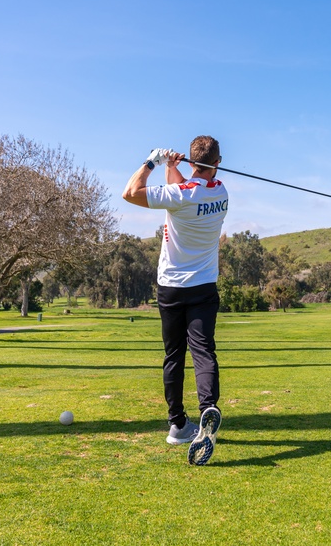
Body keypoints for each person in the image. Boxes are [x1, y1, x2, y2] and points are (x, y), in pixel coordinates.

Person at [122, 135, 228, 466]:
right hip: (204, 286)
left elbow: (130, 193)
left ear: (192, 161)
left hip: (170, 286)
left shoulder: (179, 196)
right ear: (218, 162)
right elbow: (187, 191)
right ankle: (207, 406)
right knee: (203, 350)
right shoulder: (221, 193)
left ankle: (177, 424)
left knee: (173, 355)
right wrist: (173, 167)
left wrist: (152, 162)